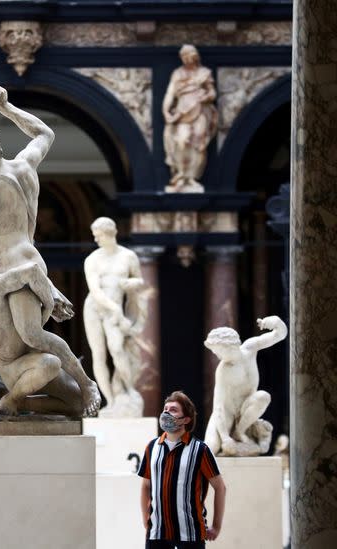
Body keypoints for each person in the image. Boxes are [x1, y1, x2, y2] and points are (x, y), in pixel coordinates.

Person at [0, 85, 100, 417]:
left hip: (16, 271)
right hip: (32, 264)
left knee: (32, 335)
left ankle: (86, 383)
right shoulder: (24, 166)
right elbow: (44, 133)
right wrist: (4, 106)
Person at [0, 263, 87, 418]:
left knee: (78, 404)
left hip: (37, 352)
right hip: (12, 366)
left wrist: (49, 303)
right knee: (50, 363)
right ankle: (13, 399)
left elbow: (32, 271)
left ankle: (19, 403)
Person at [138, 391, 226, 548]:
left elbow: (220, 487)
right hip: (157, 533)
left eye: (173, 409)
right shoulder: (151, 448)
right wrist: (146, 520)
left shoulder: (200, 450)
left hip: (191, 534)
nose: (166, 412)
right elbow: (145, 486)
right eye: (165, 408)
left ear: (186, 419)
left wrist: (216, 526)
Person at [83, 217, 149, 415]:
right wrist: (114, 308)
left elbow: (139, 279)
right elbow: (95, 290)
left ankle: (129, 391)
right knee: (99, 355)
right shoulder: (92, 259)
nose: (96, 240)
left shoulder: (128, 256)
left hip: (115, 309)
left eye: (99, 236)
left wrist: (133, 284)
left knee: (117, 348)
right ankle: (110, 402)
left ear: (111, 233)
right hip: (95, 308)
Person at [203, 316, 287, 456]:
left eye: (217, 351)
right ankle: (237, 439)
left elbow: (280, 334)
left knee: (263, 396)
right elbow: (218, 407)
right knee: (209, 450)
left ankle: (239, 431)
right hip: (226, 414)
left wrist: (275, 322)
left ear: (228, 346)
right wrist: (224, 437)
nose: (216, 355)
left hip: (246, 409)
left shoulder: (250, 347)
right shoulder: (223, 370)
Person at [162, 44, 218, 192]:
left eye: (188, 55)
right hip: (183, 111)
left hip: (199, 110)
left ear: (194, 56)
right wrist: (166, 111)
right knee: (181, 141)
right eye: (183, 56)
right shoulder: (178, 73)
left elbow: (212, 93)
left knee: (200, 142)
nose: (186, 59)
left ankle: (192, 177)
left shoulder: (204, 73)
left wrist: (206, 97)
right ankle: (181, 174)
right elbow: (170, 93)